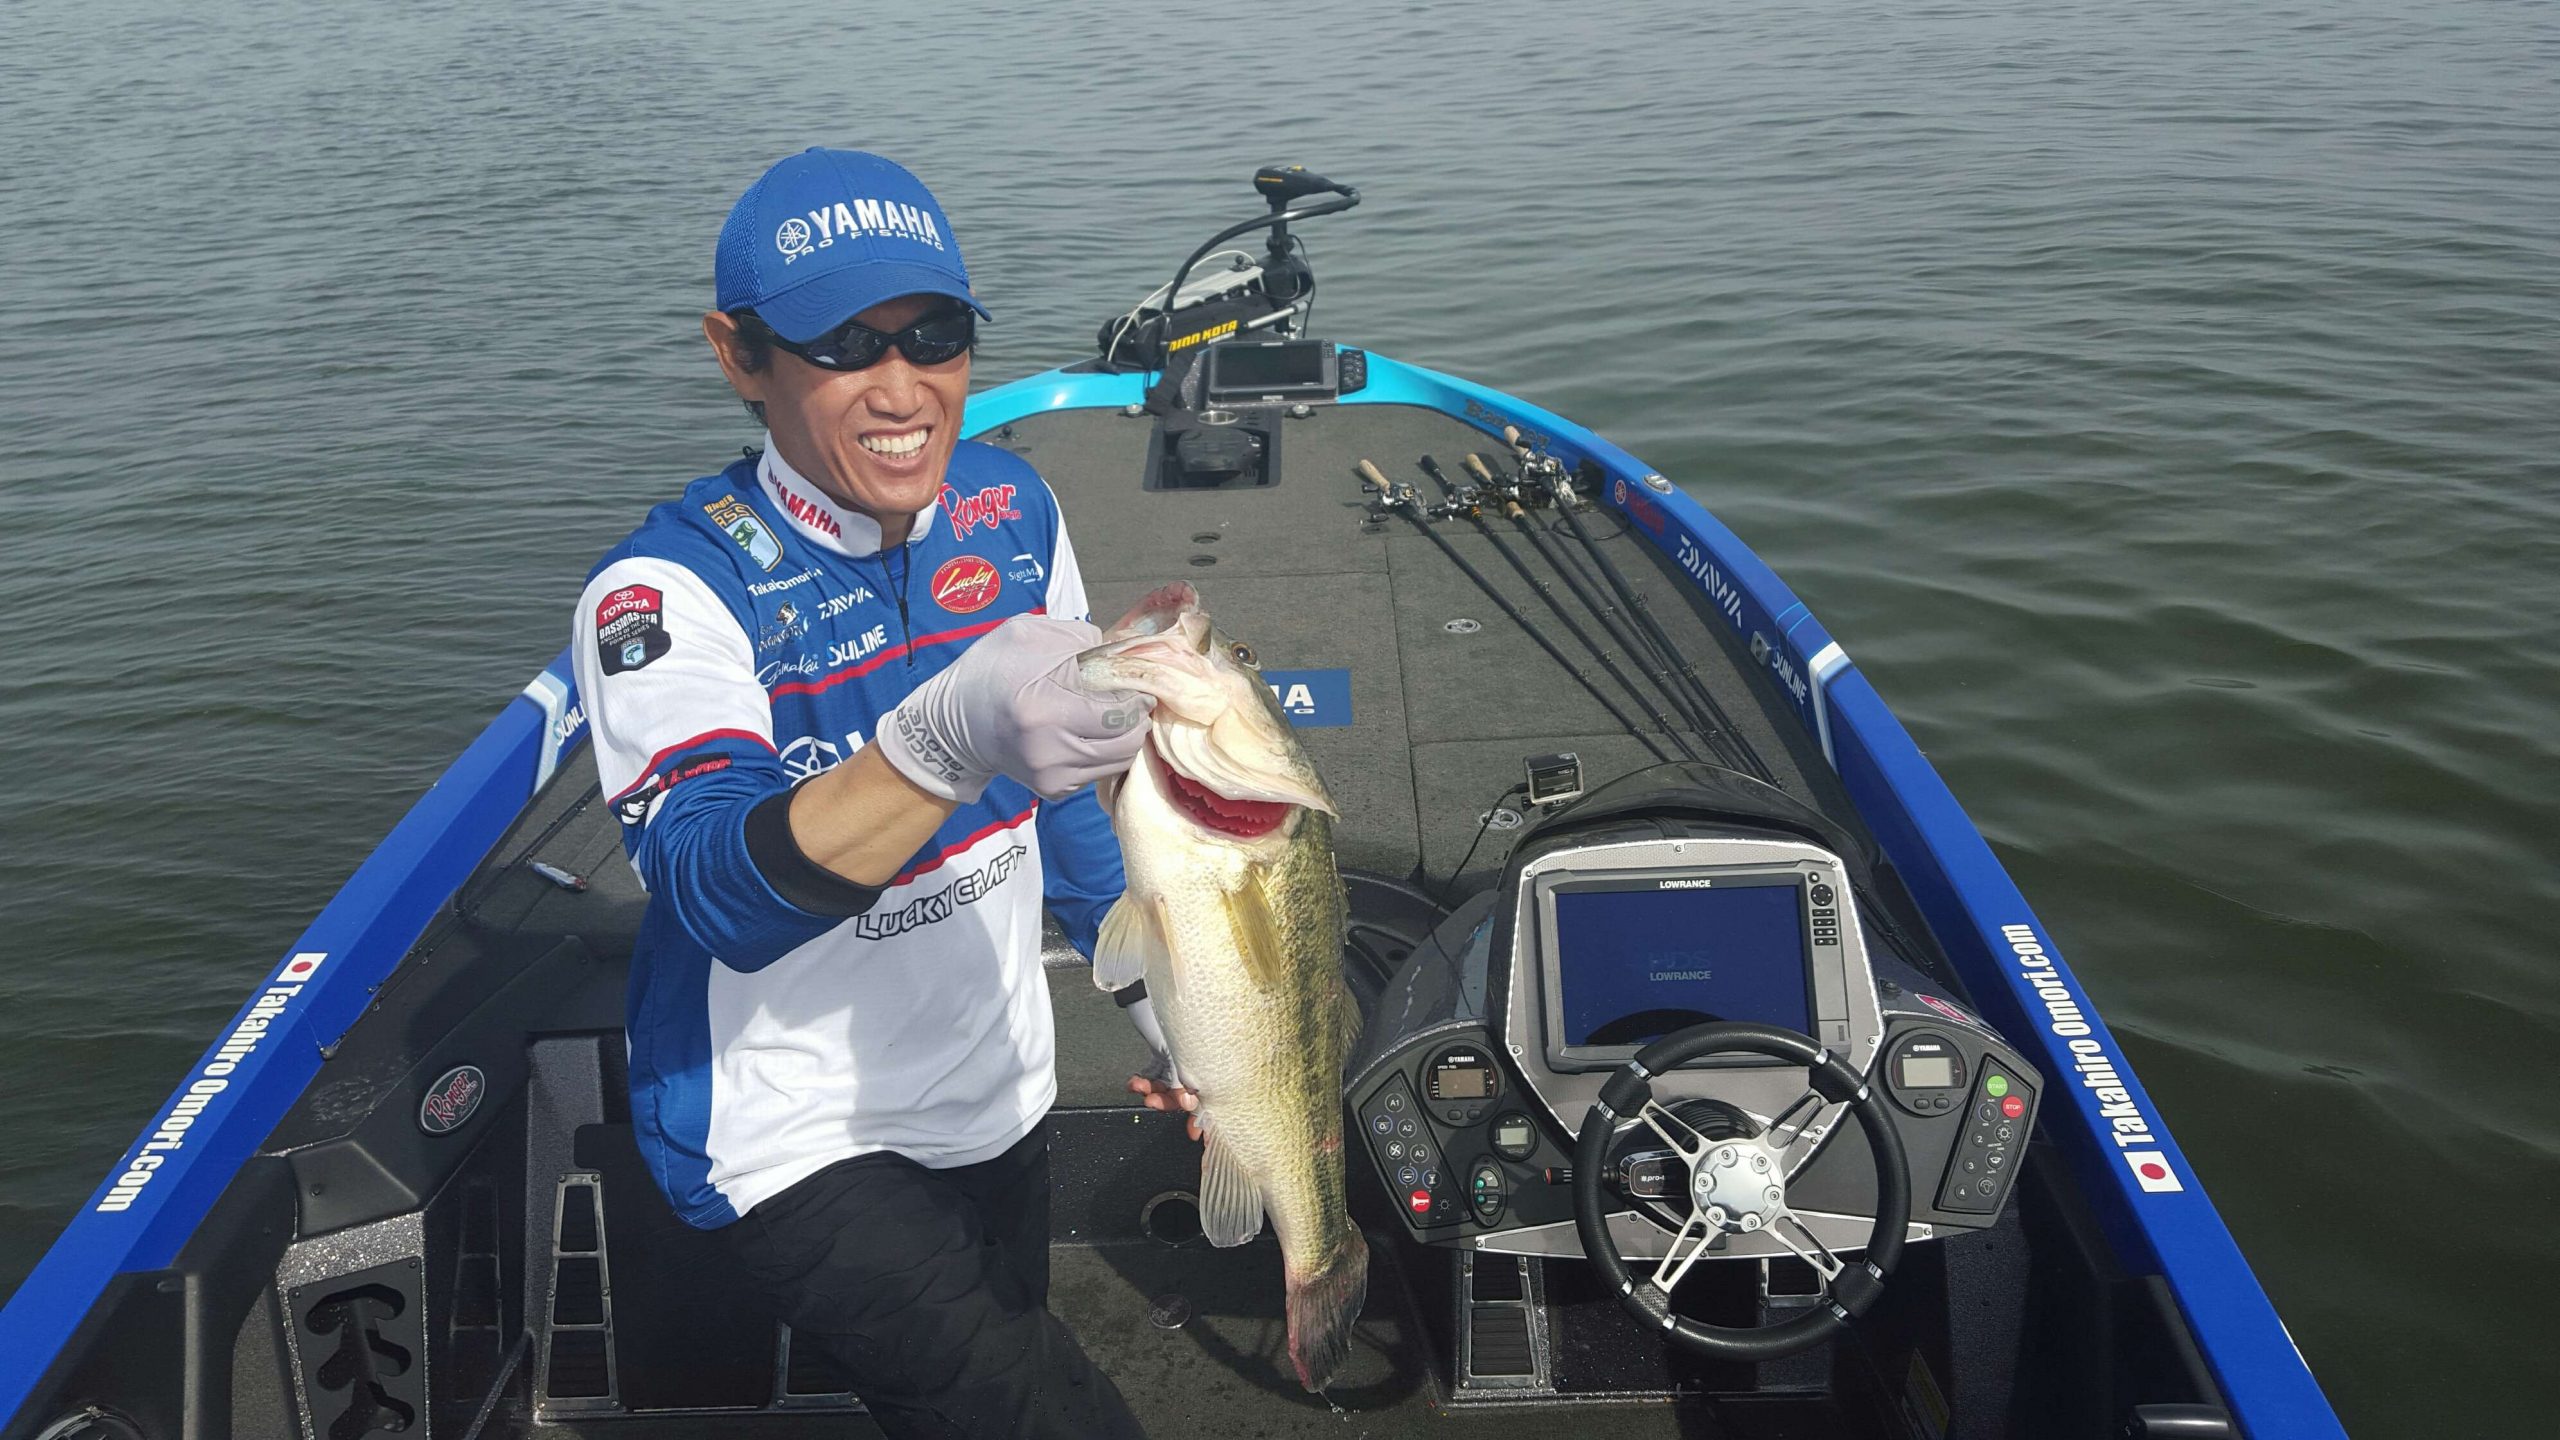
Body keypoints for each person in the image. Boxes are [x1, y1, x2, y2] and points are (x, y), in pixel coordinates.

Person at [572, 147, 1174, 1439]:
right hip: (792, 1134)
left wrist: (1162, 1005)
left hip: (997, 1084)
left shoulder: (1018, 508)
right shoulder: (666, 592)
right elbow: (714, 890)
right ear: (739, 357)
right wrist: (942, 743)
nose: (903, 389)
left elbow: (1068, 801)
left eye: (936, 335)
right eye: (844, 345)